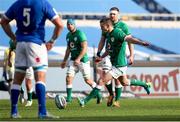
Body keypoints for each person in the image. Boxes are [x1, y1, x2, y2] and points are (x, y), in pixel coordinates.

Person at [1, 0, 63, 119]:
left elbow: (3, 21)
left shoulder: (18, 3)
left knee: (17, 79)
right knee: (40, 77)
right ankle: (42, 112)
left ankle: (14, 112)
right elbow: (59, 24)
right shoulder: (43, 3)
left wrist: (14, 37)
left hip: (20, 44)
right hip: (35, 43)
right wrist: (52, 40)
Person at [78, 18, 151, 107]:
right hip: (116, 64)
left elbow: (129, 39)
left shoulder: (117, 32)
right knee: (125, 82)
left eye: (102, 27)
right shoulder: (109, 35)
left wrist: (141, 43)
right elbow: (109, 50)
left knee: (101, 81)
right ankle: (145, 85)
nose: (101, 29)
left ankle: (84, 101)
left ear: (108, 26)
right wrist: (101, 57)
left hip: (119, 65)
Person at [96, 7, 134, 107]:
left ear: (118, 15)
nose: (112, 15)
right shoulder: (106, 24)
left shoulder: (123, 26)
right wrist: (99, 52)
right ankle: (111, 94)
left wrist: (131, 55)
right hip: (109, 52)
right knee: (105, 73)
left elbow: (130, 41)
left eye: (114, 14)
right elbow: (102, 40)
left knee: (118, 79)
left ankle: (117, 100)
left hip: (119, 54)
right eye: (111, 14)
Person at [60, 19, 101, 104]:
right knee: (68, 78)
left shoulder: (80, 34)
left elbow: (84, 48)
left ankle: (98, 94)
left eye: (71, 24)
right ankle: (69, 99)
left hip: (83, 60)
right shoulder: (68, 35)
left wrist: (78, 58)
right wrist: (64, 61)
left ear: (74, 25)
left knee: (88, 80)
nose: (69, 26)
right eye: (68, 24)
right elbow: (68, 49)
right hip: (73, 60)